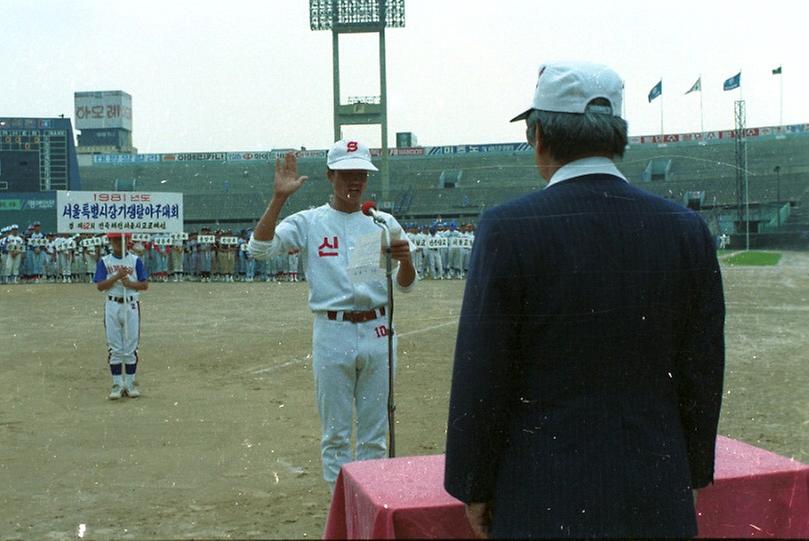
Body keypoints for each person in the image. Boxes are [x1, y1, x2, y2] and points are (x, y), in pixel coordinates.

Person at [444, 61, 725, 539]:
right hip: (656, 485)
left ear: (539, 136)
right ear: (617, 135)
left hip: (542, 491)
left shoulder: (508, 228)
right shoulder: (686, 229)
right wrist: (693, 473)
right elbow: (702, 370)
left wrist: (473, 485)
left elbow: (482, 371)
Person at [248, 140, 416, 490]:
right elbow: (259, 250)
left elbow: (405, 285)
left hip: (378, 330)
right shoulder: (310, 222)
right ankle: (342, 517)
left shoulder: (383, 223)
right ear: (330, 175)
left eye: (361, 175)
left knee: (374, 435)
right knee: (336, 436)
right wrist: (279, 198)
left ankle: (371, 513)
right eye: (346, 175)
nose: (354, 183)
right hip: (333, 331)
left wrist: (406, 261)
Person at [93, 232, 149, 400]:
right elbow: (100, 286)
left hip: (131, 304)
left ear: (128, 241)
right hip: (112, 304)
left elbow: (144, 284)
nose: (119, 243)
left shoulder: (134, 260)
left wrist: (129, 284)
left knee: (131, 346)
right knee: (115, 346)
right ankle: (117, 383)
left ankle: (130, 383)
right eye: (115, 240)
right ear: (110, 241)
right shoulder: (105, 261)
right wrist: (117, 276)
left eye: (122, 239)